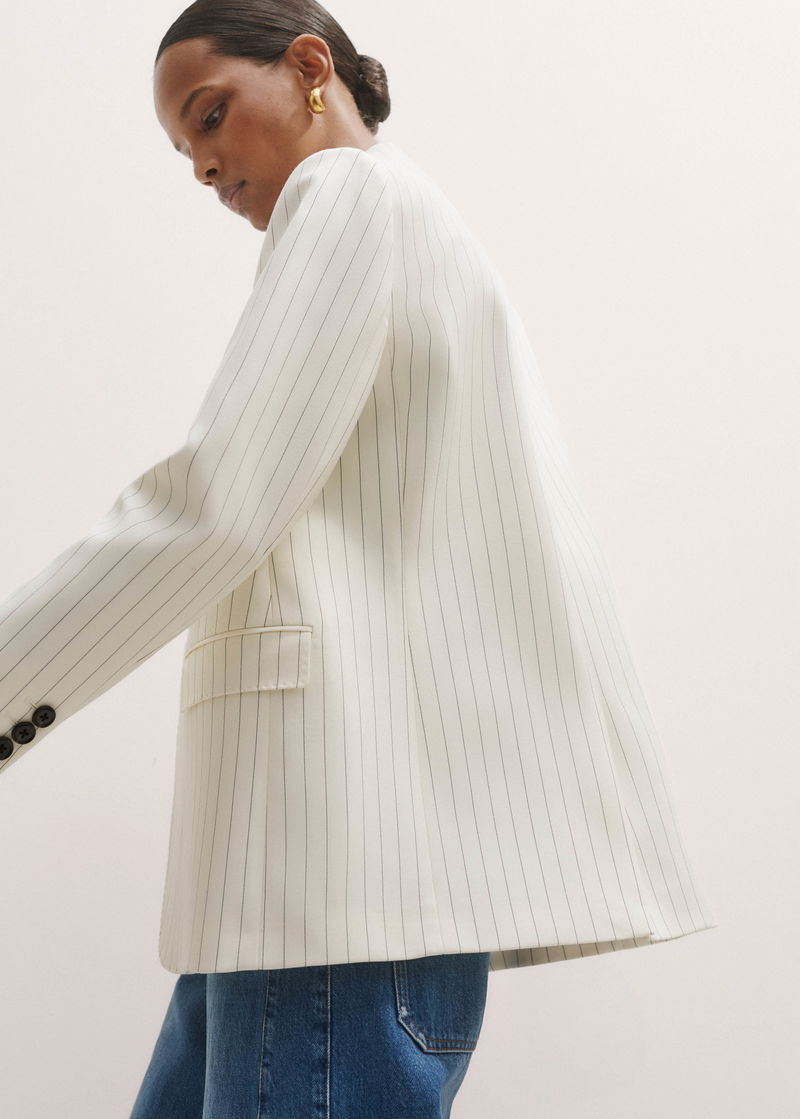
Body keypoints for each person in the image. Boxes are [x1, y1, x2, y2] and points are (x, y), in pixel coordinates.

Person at [0, 1, 718, 1115]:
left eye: (210, 117)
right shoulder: (405, 217)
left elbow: (219, 501)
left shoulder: (348, 195)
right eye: (185, 153)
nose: (203, 167)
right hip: (295, 894)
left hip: (332, 898)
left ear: (308, 66)